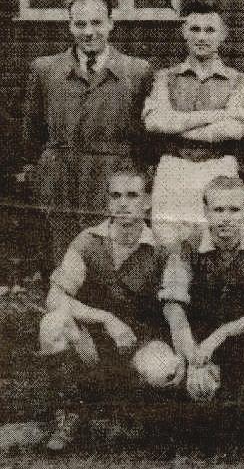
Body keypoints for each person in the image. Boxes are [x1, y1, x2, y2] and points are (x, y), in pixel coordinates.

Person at [36, 168, 169, 452]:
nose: (123, 203)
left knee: (163, 369)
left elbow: (173, 306)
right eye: (116, 196)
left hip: (139, 340)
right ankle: (69, 413)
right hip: (92, 340)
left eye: (132, 195)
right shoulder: (88, 241)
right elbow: (54, 296)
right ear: (108, 203)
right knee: (53, 324)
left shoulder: (162, 247)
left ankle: (136, 413)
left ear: (147, 201)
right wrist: (105, 318)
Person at [21, 0, 154, 267]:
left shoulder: (136, 71)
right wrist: (39, 170)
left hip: (112, 174)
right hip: (59, 173)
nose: (89, 32)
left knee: (108, 245)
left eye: (96, 23)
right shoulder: (45, 69)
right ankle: (62, 302)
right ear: (69, 26)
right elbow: (32, 130)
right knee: (61, 247)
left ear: (110, 24)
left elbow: (145, 138)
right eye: (80, 24)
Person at [158, 176, 244, 402]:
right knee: (190, 385)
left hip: (242, 337)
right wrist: (192, 352)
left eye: (234, 210)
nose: (225, 218)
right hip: (196, 336)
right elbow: (172, 304)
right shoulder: (186, 245)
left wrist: (222, 333)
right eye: (218, 210)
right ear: (206, 212)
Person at [143, 1, 244, 249]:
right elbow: (155, 122)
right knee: (168, 245)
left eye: (210, 30)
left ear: (223, 35)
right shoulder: (165, 77)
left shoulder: (240, 81)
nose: (201, 37)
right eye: (195, 29)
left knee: (217, 244)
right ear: (184, 32)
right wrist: (215, 115)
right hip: (173, 168)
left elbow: (233, 129)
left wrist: (177, 123)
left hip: (218, 167)